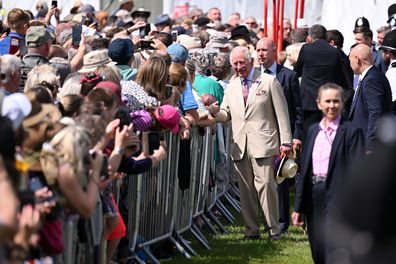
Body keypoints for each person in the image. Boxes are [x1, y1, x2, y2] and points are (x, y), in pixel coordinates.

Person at [213, 46, 292, 240]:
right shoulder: (231, 86)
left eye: (242, 63)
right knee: (246, 190)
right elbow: (226, 114)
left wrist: (286, 142)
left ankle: (274, 230)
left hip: (264, 143)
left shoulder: (268, 81)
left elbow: (282, 114)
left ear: (251, 61)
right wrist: (214, 113)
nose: (239, 67)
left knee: (267, 185)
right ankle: (251, 230)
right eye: (235, 64)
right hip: (240, 145)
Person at [292, 83, 365, 264]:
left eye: (336, 101)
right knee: (318, 247)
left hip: (340, 197)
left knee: (336, 249)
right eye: (327, 101)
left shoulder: (351, 132)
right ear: (319, 104)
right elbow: (305, 170)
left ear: (342, 103)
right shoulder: (313, 131)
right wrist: (299, 207)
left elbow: (358, 171)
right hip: (315, 194)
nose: (332, 105)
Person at [256, 37, 303, 234]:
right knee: (261, 180)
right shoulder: (254, 77)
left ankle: (281, 223)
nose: (260, 53)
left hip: (283, 136)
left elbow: (297, 109)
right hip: (260, 135)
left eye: (264, 50)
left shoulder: (288, 76)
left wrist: (296, 135)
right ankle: (265, 220)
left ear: (274, 51)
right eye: (258, 50)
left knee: (280, 180)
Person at [294, 24, 348, 132]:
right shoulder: (335, 52)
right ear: (325, 36)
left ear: (309, 38)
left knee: (309, 137)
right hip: (330, 102)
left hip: (309, 102)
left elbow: (297, 72)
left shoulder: (306, 49)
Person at [348, 44, 392, 151]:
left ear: (357, 59)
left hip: (367, 143)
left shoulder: (372, 80)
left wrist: (370, 145)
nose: (349, 64)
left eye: (350, 60)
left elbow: (376, 113)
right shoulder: (371, 77)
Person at [379, 30, 396, 114]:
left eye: (383, 51)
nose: (381, 54)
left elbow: (393, 102)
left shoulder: (392, 73)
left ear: (388, 53)